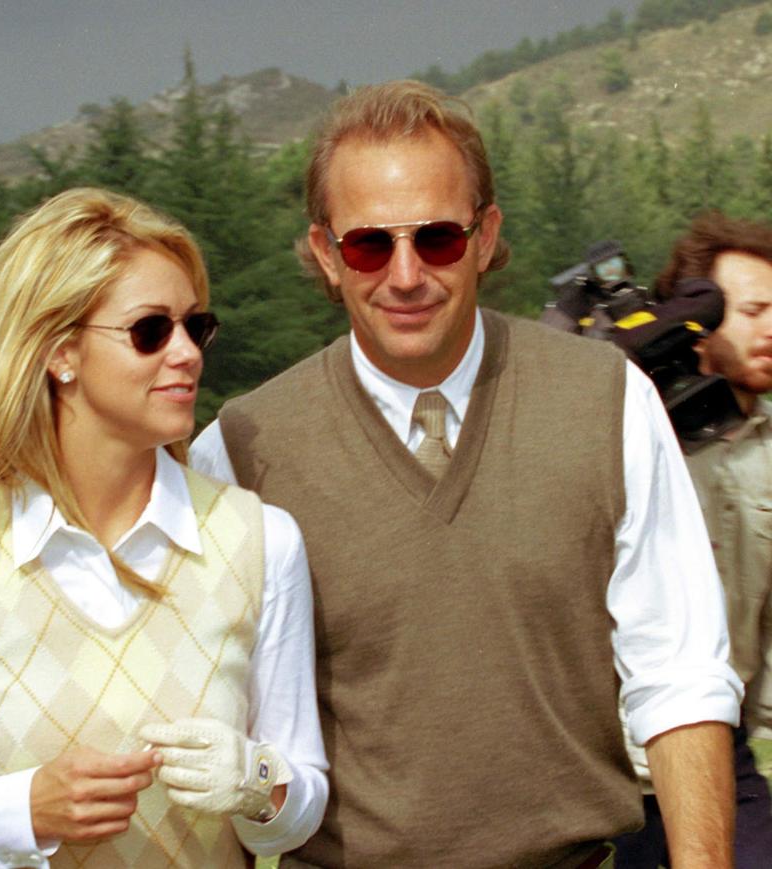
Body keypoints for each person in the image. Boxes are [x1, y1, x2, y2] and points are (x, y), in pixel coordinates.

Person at [190, 80, 743, 868]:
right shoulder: (242, 449)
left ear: (485, 236)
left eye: (438, 238)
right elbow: (227, 737)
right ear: (326, 253)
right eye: (370, 245)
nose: (406, 274)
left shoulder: (607, 400)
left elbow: (680, 673)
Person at [0, 188, 327, 868]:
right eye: (151, 330)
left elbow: (299, 810)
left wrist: (255, 781)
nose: (188, 352)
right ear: (60, 352)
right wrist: (22, 810)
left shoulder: (261, 542)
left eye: (197, 326)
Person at [613, 212, 772, 868]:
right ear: (697, 322)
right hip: (599, 756)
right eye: (755, 309)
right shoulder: (625, 424)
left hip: (717, 746)